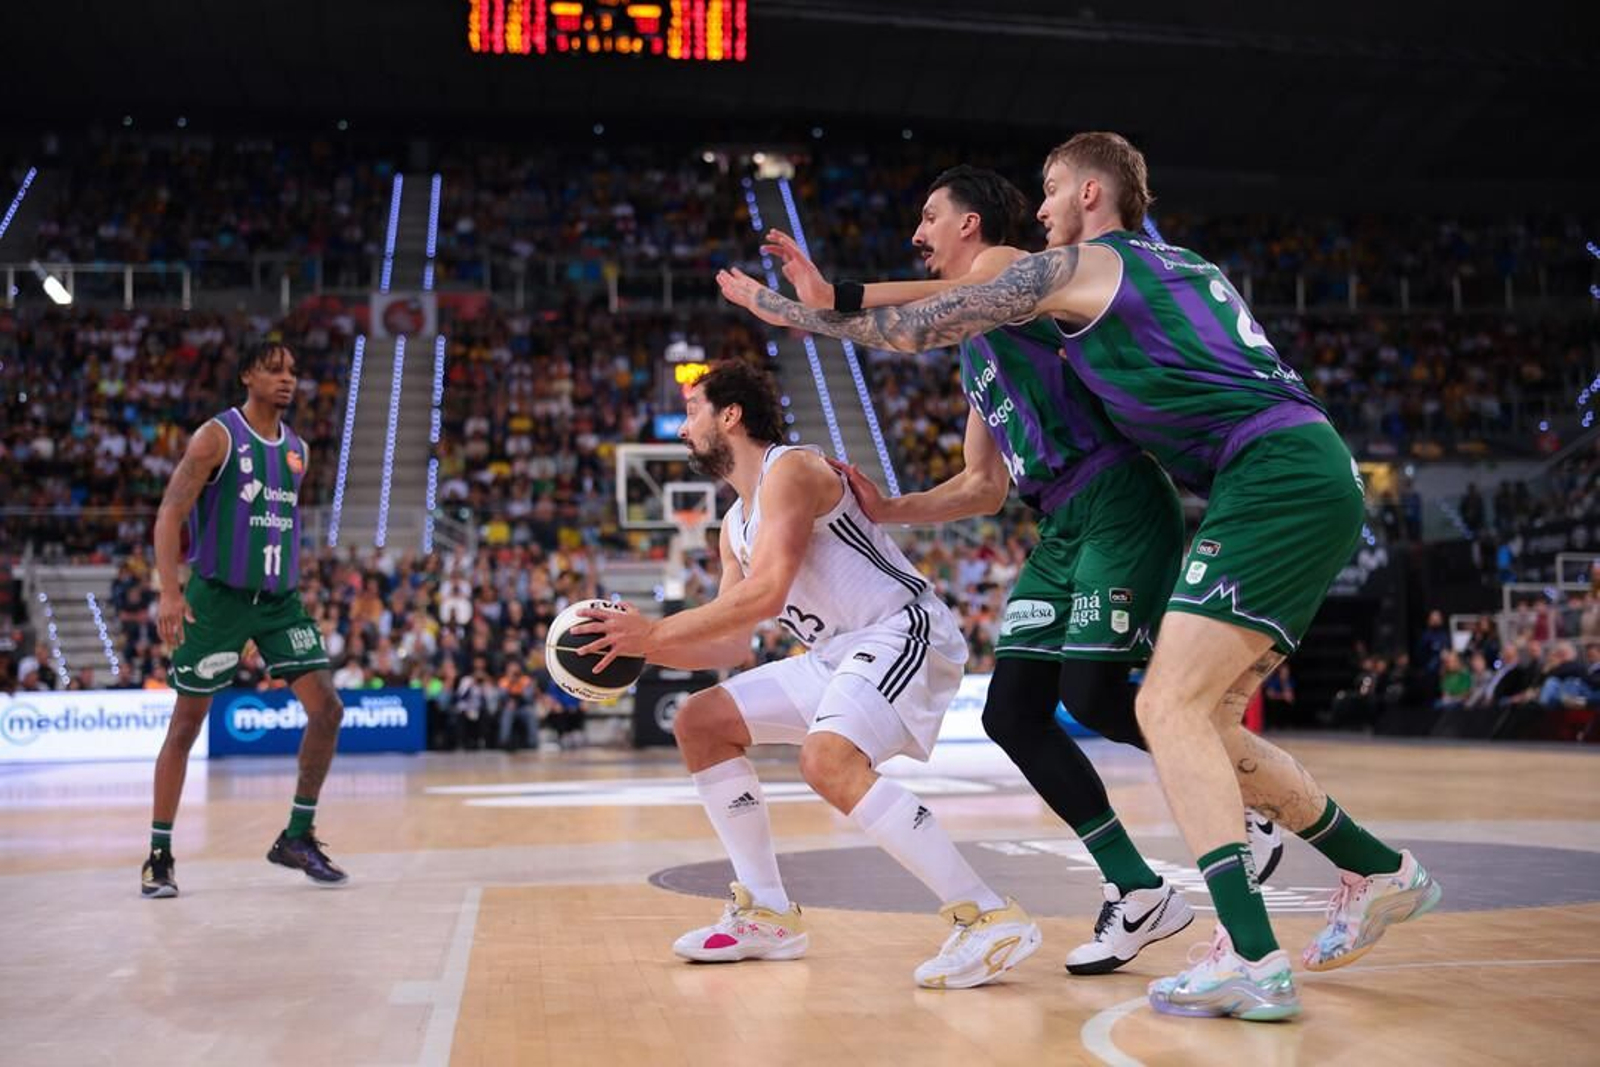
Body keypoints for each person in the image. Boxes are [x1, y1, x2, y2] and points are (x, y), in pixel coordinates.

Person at [718, 132, 1440, 1021]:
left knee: (1155, 708)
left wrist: (808, 312)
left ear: (1091, 193)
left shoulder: (1075, 266)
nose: (1043, 205)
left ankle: (1248, 945)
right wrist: (890, 494)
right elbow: (981, 463)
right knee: (1124, 713)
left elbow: (934, 312)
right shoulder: (1154, 267)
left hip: (1212, 482)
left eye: (1052, 191)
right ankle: (1373, 867)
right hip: (1235, 482)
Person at [763, 164, 1282, 974]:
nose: (918, 232)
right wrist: (889, 508)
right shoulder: (978, 353)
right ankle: (1137, 891)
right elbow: (982, 485)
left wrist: (831, 293)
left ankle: (1243, 801)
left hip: (1117, 495)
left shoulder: (1008, 267)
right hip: (1061, 523)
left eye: (930, 216)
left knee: (1095, 692)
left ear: (973, 225)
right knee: (1013, 713)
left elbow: (926, 311)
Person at [573, 360, 1041, 989]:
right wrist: (633, 654)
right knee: (700, 722)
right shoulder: (732, 526)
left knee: (827, 760)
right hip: (836, 654)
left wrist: (653, 632)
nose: (685, 429)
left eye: (692, 412)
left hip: (901, 629)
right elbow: (732, 643)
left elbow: (767, 595)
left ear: (731, 415)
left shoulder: (790, 469)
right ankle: (766, 912)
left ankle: (987, 914)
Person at [143, 341, 348, 898]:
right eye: (274, 370)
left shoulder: (299, 451)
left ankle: (297, 836)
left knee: (327, 709)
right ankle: (159, 854)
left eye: (293, 372)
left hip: (279, 601)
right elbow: (170, 512)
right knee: (186, 726)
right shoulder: (217, 437)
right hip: (218, 600)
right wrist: (169, 591)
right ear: (247, 375)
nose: (288, 380)